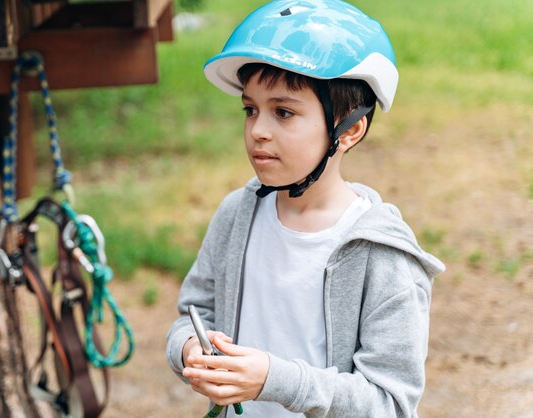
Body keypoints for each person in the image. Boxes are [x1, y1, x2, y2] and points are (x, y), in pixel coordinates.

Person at [166, 0, 445, 417]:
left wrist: (272, 380)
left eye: (283, 112)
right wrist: (191, 349)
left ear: (348, 129)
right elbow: (194, 313)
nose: (258, 131)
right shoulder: (236, 215)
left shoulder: (383, 256)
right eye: (250, 109)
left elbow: (389, 404)